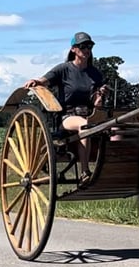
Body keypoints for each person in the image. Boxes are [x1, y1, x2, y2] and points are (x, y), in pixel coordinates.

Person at [23, 31, 108, 184]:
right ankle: (85, 172)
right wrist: (35, 81)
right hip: (68, 117)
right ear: (74, 49)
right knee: (85, 125)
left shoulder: (95, 73)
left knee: (116, 130)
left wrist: (100, 95)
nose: (87, 50)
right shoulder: (64, 69)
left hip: (91, 114)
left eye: (89, 46)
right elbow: (44, 80)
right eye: (83, 46)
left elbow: (97, 103)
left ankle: (112, 170)